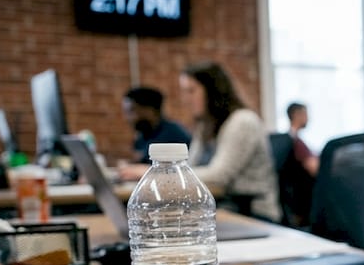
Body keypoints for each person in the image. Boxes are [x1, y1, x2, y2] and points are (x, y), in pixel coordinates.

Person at [120, 62, 280, 222]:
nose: (186, 99)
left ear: (213, 91)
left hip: (253, 215)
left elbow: (218, 176)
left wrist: (152, 173)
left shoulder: (242, 121)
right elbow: (189, 167)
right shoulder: (205, 126)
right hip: (222, 209)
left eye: (191, 91)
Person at [122, 86, 190, 163]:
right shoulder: (142, 137)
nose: (127, 118)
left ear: (150, 110)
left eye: (131, 111)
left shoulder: (174, 134)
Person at [286, 102, 320, 176]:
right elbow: (314, 168)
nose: (308, 118)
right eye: (305, 114)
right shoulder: (295, 142)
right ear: (297, 115)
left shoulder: (292, 139)